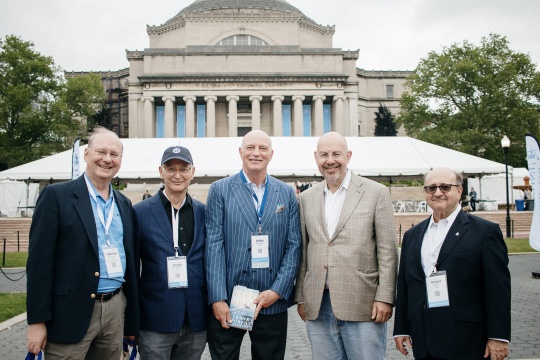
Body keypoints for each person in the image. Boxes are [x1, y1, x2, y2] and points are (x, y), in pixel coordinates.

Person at [26, 127, 140, 359]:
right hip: (70, 313)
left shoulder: (125, 204)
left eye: (114, 154)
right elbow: (39, 264)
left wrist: (132, 323)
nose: (107, 159)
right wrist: (37, 321)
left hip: (115, 309)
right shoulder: (56, 197)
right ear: (86, 154)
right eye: (101, 152)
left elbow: (131, 263)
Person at [294, 132, 398, 360]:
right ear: (316, 158)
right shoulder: (306, 198)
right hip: (318, 304)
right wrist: (301, 297)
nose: (330, 160)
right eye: (324, 155)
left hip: (363, 301)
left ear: (348, 156)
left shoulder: (375, 192)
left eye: (336, 154)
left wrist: (385, 297)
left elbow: (387, 251)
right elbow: (303, 251)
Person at [394, 167, 511, 360]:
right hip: (424, 341)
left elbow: (498, 289)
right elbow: (406, 285)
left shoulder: (485, 232)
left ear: (459, 190)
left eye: (445, 187)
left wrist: (498, 336)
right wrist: (401, 329)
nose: (438, 193)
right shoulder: (412, 236)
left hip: (468, 340)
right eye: (431, 188)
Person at [205, 130, 301, 360]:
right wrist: (218, 298)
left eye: (262, 148)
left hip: (271, 301)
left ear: (271, 154)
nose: (256, 153)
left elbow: (294, 246)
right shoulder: (220, 190)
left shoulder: (286, 193)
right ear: (240, 152)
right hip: (230, 300)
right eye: (250, 148)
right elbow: (214, 245)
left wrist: (278, 291)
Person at [133, 146, 208, 360]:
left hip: (195, 320)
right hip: (155, 320)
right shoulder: (140, 212)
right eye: (171, 169)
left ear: (192, 172)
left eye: (183, 169)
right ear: (161, 171)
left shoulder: (204, 212)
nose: (177, 175)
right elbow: (131, 268)